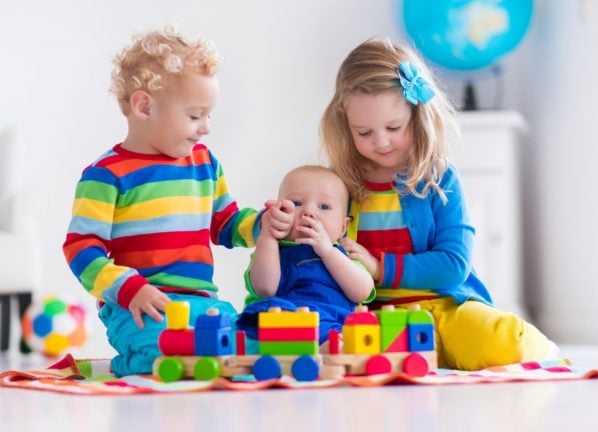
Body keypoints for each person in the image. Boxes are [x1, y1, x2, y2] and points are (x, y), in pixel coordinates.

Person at [62, 26, 293, 376]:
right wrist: (130, 289)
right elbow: (81, 248)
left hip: (201, 304)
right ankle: (129, 364)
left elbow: (227, 224)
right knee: (166, 353)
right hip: (141, 307)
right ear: (144, 106)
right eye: (195, 115)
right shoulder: (106, 175)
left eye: (208, 116)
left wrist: (264, 225)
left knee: (251, 342)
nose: (205, 128)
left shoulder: (204, 164)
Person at [320, 37, 557, 371]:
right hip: (371, 318)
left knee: (508, 343)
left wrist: (379, 268)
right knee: (325, 348)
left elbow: (453, 263)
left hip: (443, 309)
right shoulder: (339, 183)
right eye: (364, 133)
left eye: (393, 127)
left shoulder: (438, 178)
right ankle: (421, 359)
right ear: (344, 125)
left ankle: (538, 351)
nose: (381, 142)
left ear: (418, 116)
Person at [237, 164, 375, 346]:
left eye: (324, 206)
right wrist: (268, 236)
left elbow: (361, 291)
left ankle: (329, 347)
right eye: (296, 203)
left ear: (343, 227)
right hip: (284, 318)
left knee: (355, 328)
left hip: (330, 320)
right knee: (254, 319)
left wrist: (327, 251)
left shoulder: (344, 255)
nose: (308, 212)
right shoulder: (273, 250)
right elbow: (266, 289)